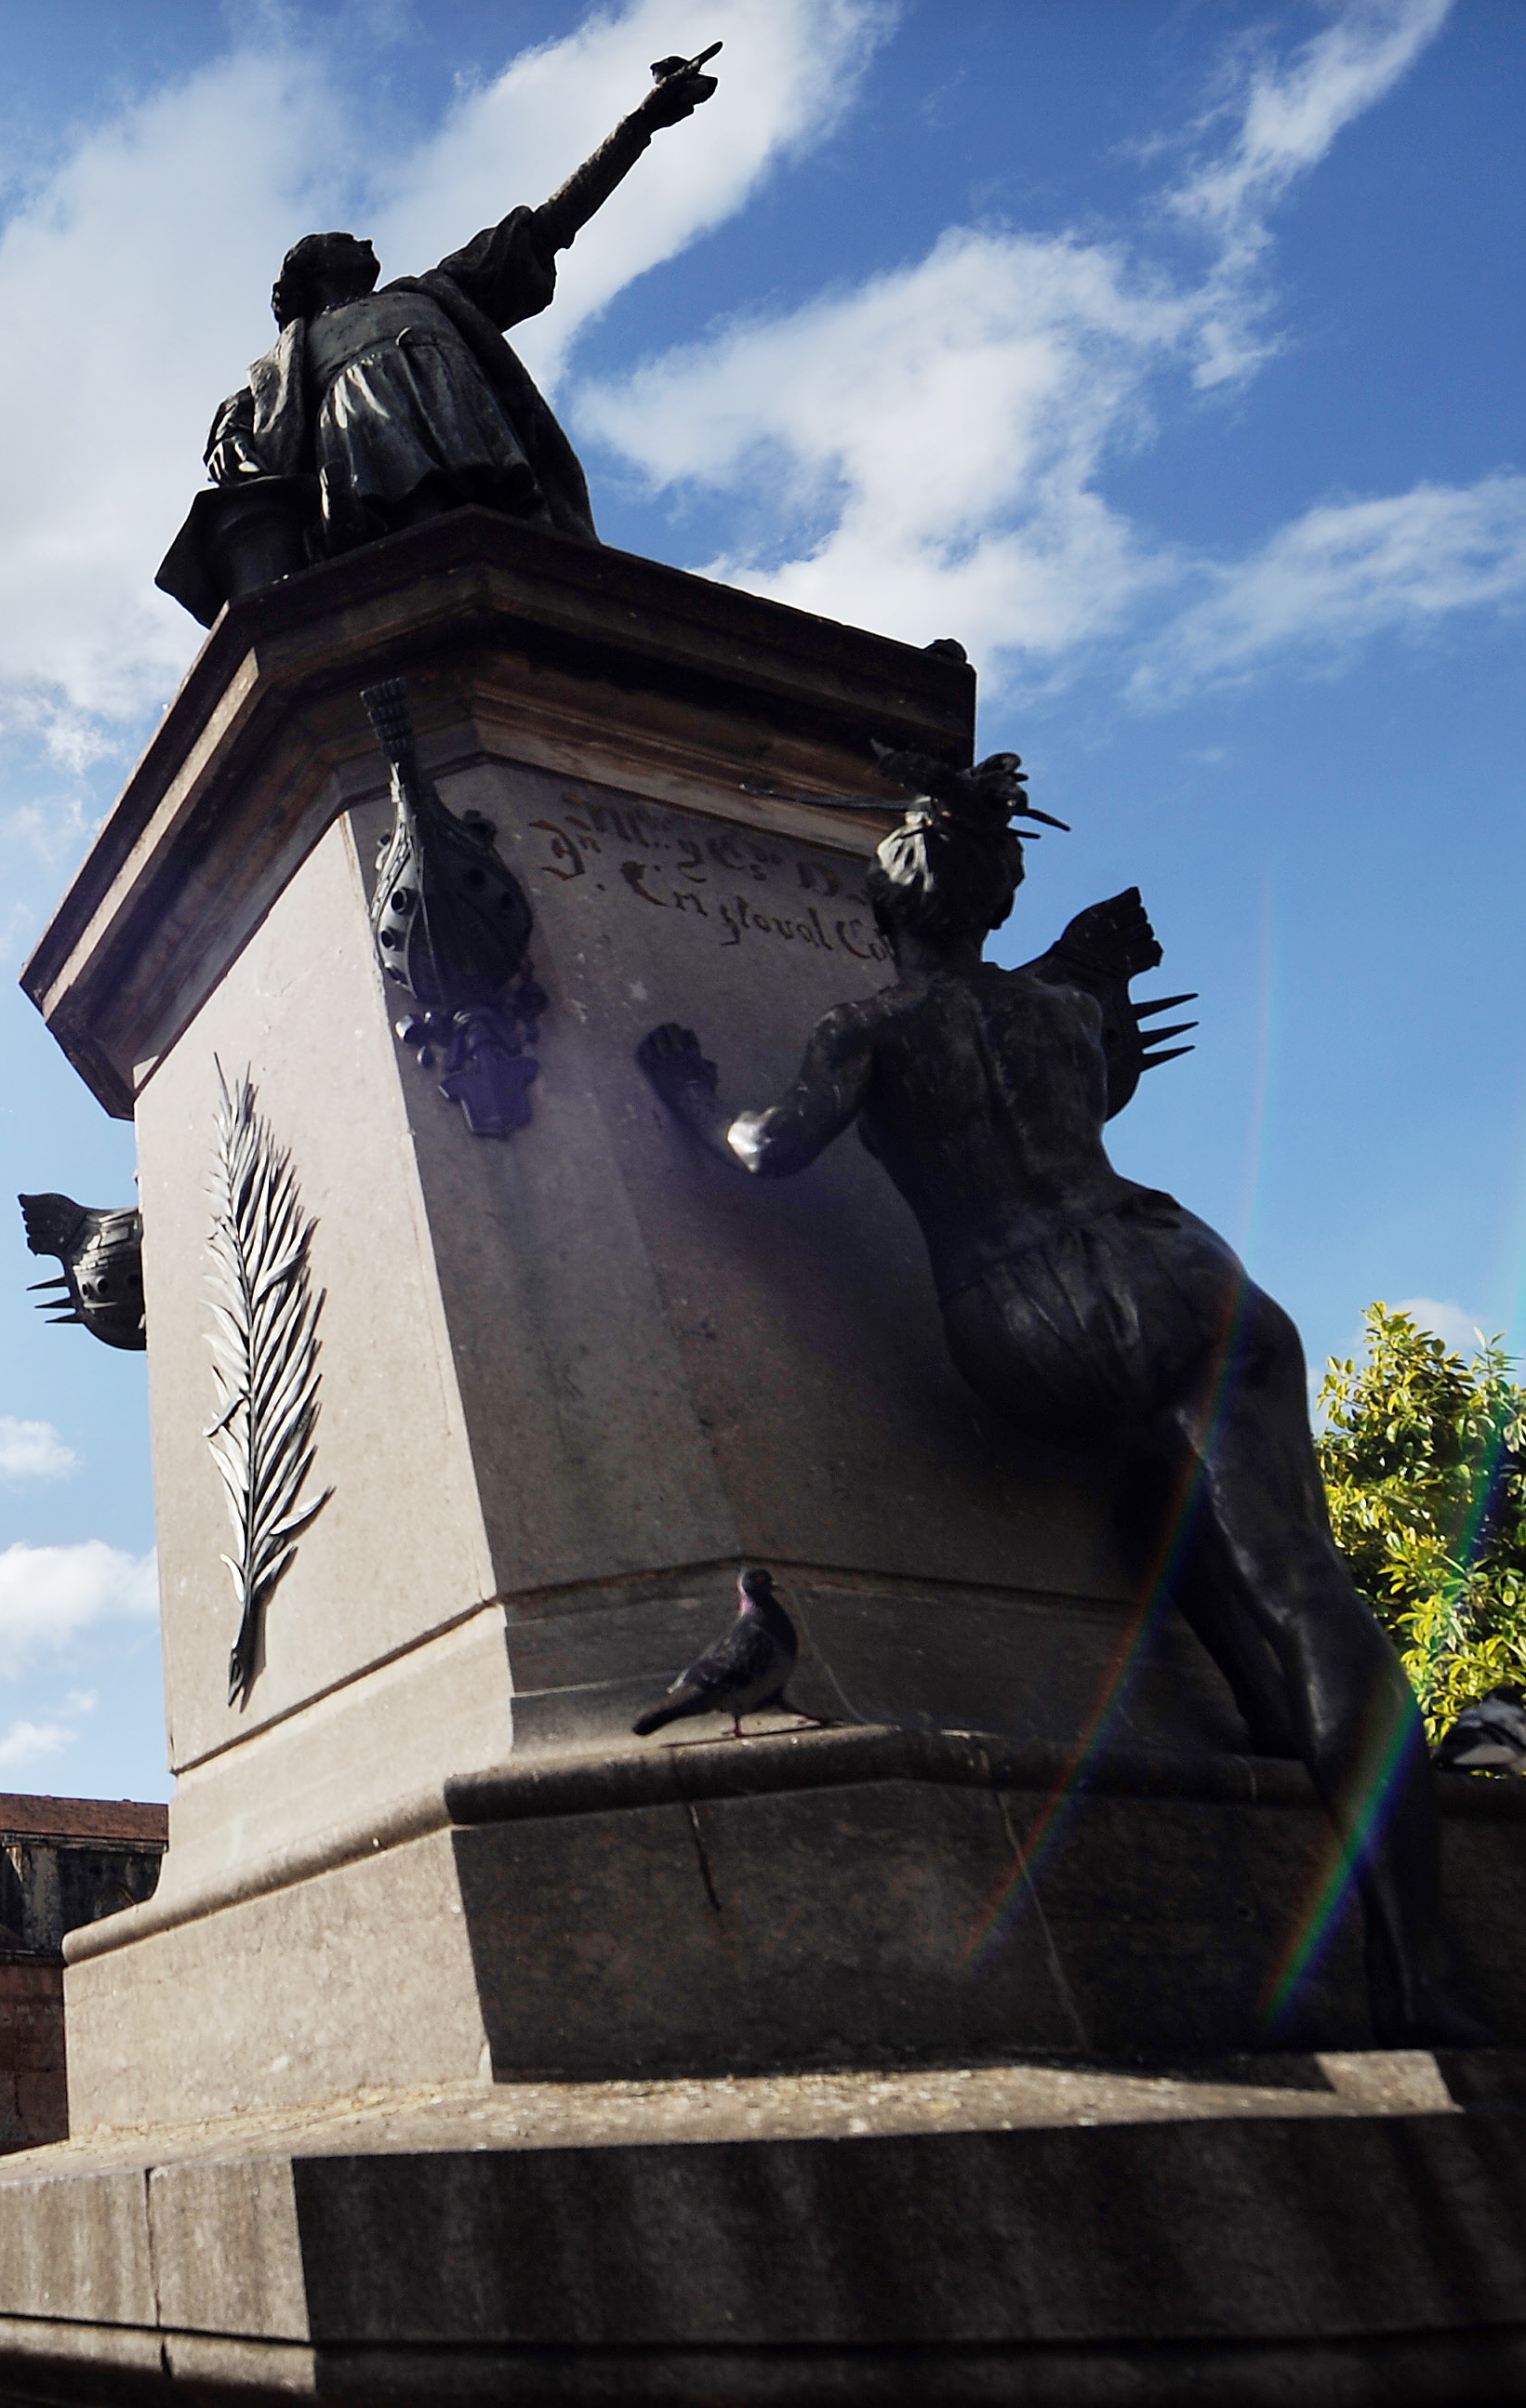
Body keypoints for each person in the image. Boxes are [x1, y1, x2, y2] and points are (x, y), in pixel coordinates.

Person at [634, 750, 1482, 2045]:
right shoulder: (1067, 1014)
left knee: (1166, 1488)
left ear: (881, 911)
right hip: (1173, 1267)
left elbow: (769, 1150)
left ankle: (1271, 1721)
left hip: (1022, 1323)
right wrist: (1089, 966)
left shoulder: (862, 1030)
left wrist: (689, 1102)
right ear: (994, 900)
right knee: (1303, 1585)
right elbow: (1090, 1087)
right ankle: (1424, 1974)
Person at [156, 51, 721, 623]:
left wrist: (640, 124)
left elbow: (550, 224)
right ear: (312, 268)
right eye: (346, 238)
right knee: (423, 563)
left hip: (478, 456)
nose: (366, 241)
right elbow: (234, 444)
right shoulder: (284, 368)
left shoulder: (435, 293)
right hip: (364, 480)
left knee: (515, 559)